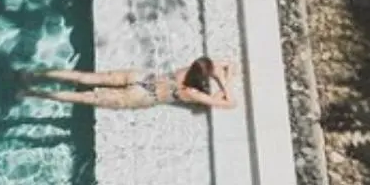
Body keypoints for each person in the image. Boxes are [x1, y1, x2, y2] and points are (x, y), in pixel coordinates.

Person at [20, 56, 237, 110]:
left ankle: (35, 72)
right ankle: (34, 93)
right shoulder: (191, 92)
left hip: (141, 77)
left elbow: (223, 63)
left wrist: (220, 74)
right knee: (84, 97)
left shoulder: (184, 71)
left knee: (84, 77)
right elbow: (230, 103)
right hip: (143, 96)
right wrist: (223, 85)